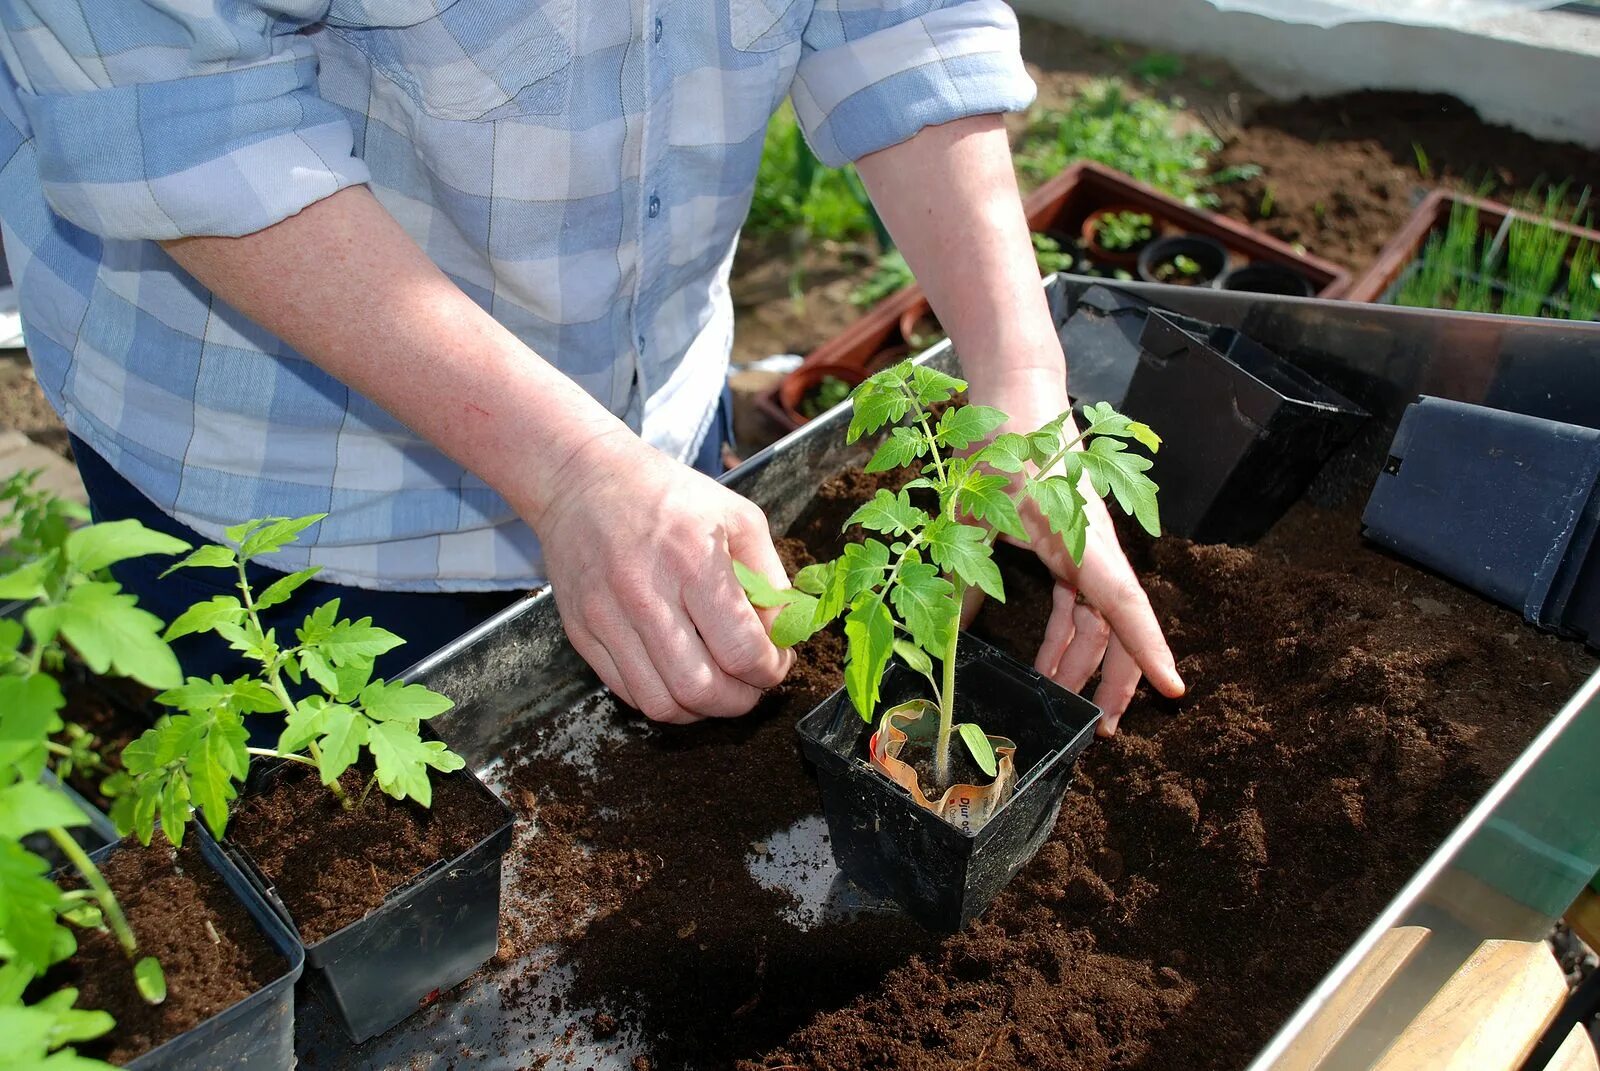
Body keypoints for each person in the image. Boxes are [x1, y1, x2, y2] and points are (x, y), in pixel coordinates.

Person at [0, 0, 1183, 735]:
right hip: (289, 483)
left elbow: (897, 15)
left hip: (649, 416)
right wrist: (568, 475)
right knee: (354, 923)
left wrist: (1016, 383)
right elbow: (190, 116)